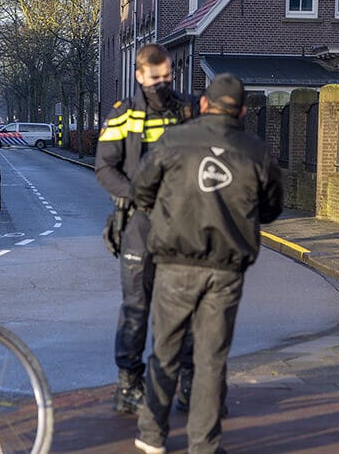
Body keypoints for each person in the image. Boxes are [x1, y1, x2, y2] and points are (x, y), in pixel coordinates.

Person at [130, 73, 283, 454]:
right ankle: (204, 445)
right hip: (226, 269)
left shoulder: (174, 141)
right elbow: (271, 208)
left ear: (202, 104)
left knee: (165, 351)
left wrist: (163, 214)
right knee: (211, 359)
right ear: (242, 112)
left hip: (174, 264)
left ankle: (151, 436)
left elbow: (140, 189)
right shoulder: (256, 151)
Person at [95, 43, 192, 414]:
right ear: (139, 76)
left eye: (167, 76)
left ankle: (187, 381)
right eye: (155, 78)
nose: (162, 84)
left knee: (183, 307)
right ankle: (128, 385)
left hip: (181, 223)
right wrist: (138, 194)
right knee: (136, 307)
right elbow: (105, 168)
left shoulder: (185, 111)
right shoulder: (123, 114)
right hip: (139, 222)